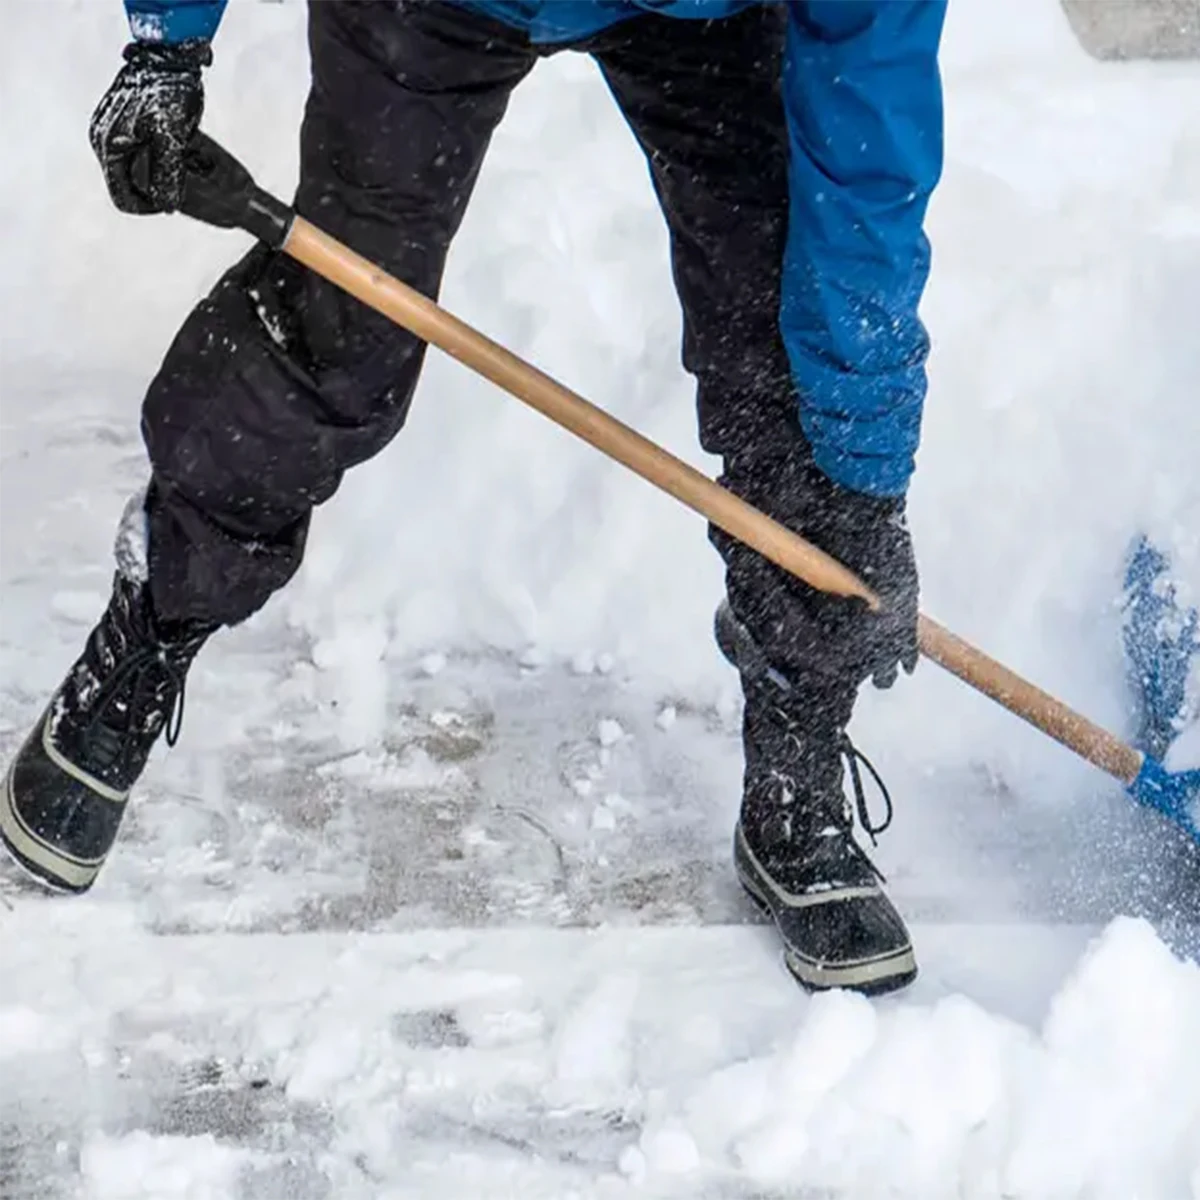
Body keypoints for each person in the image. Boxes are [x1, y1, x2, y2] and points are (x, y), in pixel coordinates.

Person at [1, 0, 946, 997]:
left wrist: (862, 482)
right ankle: (157, 614)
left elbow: (867, 147)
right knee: (340, 332)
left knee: (794, 362)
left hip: (700, 12)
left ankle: (797, 749)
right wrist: (171, 44)